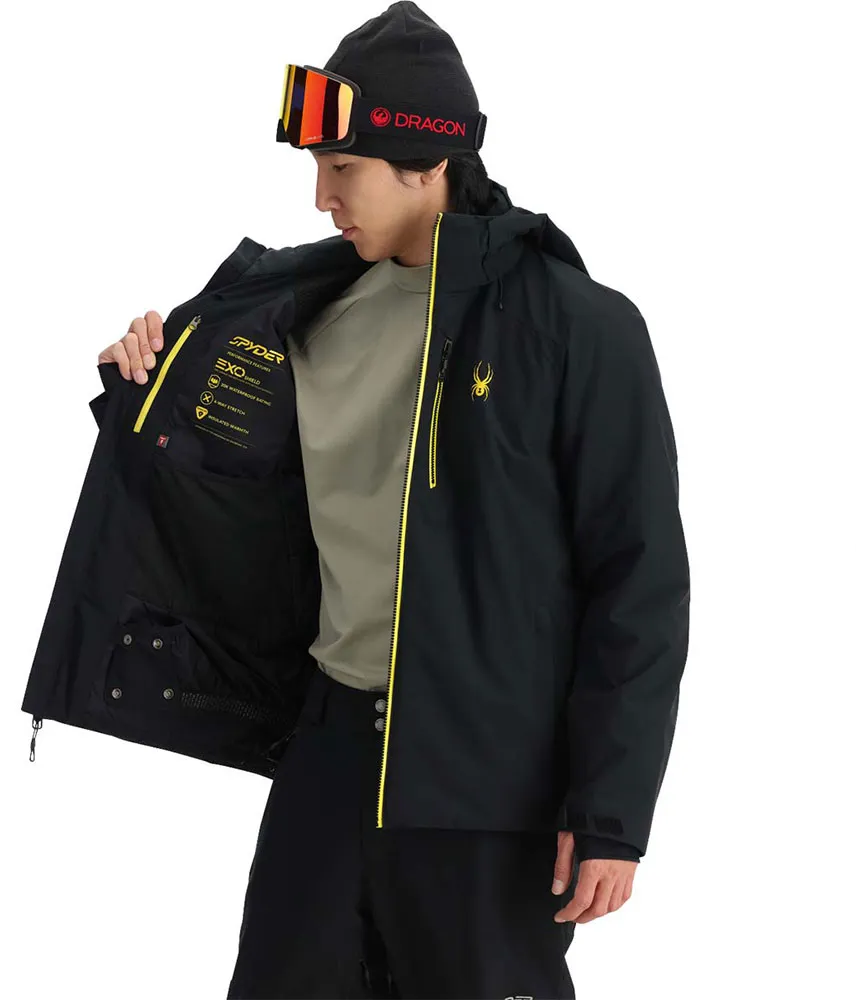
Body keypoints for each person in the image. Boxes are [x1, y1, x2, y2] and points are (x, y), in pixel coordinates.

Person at [90, 3, 690, 997]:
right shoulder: (301, 314)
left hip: (487, 778)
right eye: (316, 167)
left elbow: (637, 579)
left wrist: (611, 810)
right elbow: (219, 499)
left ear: (426, 162)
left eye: (343, 166)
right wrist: (143, 386)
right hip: (328, 753)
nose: (321, 197)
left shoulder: (578, 329)